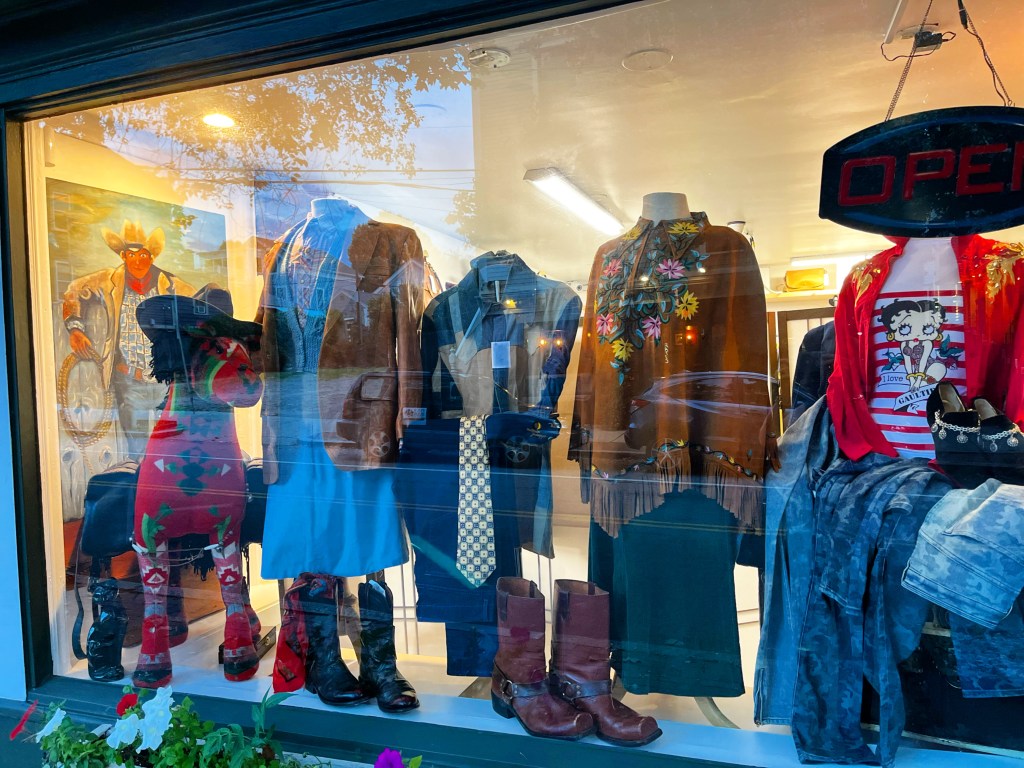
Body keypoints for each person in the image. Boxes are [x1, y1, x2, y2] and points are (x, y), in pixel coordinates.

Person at [62, 219, 195, 459]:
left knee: (173, 445)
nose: (137, 260)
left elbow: (201, 301)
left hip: (167, 382)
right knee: (137, 450)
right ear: (123, 255)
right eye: (131, 254)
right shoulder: (109, 280)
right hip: (130, 380)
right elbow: (73, 290)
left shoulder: (171, 284)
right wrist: (75, 328)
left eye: (143, 254)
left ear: (151, 257)